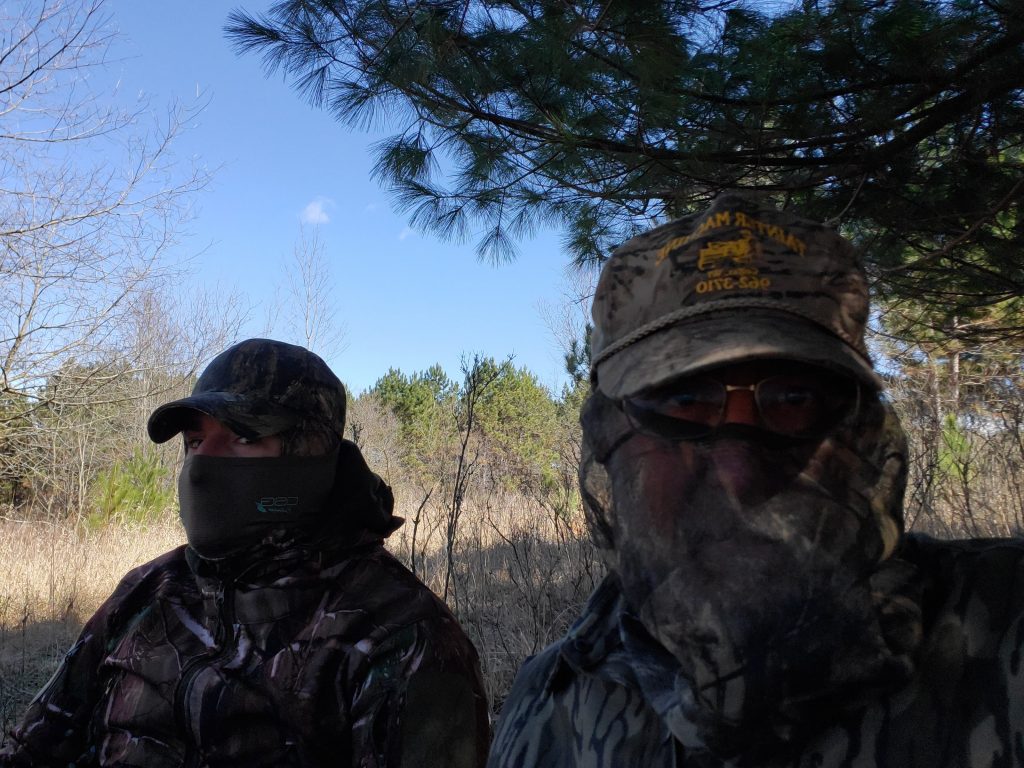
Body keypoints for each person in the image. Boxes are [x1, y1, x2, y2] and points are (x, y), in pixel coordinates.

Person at [487, 194, 1024, 767]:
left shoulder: (1003, 630)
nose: (738, 475)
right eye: (682, 402)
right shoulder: (548, 697)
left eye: (794, 400)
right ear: (609, 433)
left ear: (860, 435)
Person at [2, 338, 489, 768]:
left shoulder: (401, 637)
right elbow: (34, 749)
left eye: (244, 437)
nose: (202, 465)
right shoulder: (149, 592)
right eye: (195, 441)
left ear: (310, 455)